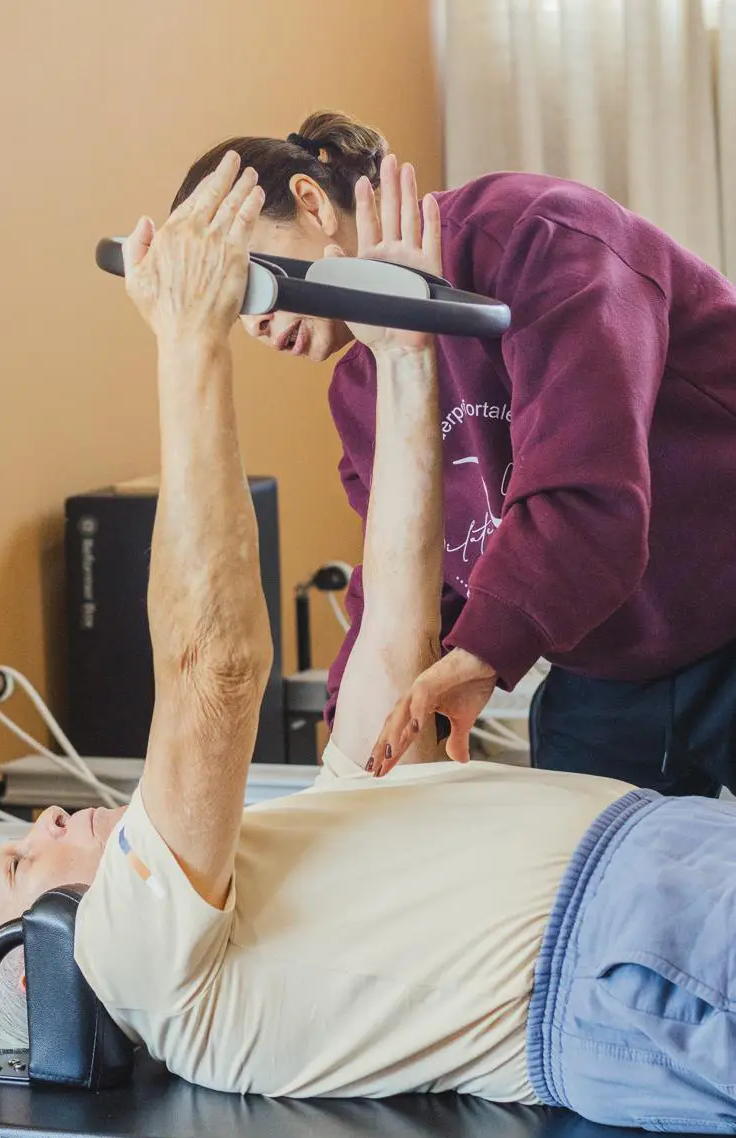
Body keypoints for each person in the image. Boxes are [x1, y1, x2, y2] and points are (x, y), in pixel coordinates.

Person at [0, 156, 736, 1134]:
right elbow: (212, 671)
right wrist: (188, 345)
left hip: (661, 870)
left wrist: (405, 352)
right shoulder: (132, 956)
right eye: (21, 860)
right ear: (44, 968)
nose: (47, 818)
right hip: (631, 949)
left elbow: (391, 653)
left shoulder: (276, 855)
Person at [171, 111, 736, 797]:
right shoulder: (360, 386)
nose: (254, 322)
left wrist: (484, 648)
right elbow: (404, 578)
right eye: (233, 309)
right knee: (578, 878)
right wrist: (352, 745)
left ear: (313, 203)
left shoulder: (539, 237)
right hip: (609, 668)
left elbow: (593, 496)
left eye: (252, 279)